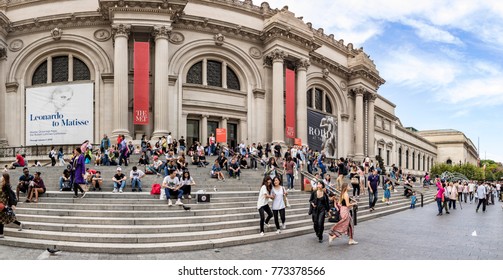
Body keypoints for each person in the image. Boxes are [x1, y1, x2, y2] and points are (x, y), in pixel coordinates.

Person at [0, 173, 24, 238]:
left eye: (2, 177)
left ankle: (1, 234)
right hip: (1, 202)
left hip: (3, 203)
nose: (1, 178)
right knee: (5, 217)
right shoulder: (2, 184)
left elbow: (11, 194)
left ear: (4, 178)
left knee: (2, 218)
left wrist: (13, 204)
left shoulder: (6, 185)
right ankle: (19, 223)